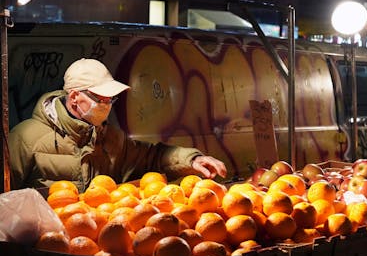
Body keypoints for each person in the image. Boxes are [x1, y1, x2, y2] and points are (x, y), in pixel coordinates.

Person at [8, 58, 227, 191]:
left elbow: (151, 157)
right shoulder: (25, 139)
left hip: (96, 245)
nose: (107, 105)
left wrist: (193, 159)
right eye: (100, 99)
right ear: (74, 97)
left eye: (110, 99)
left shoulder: (110, 138)